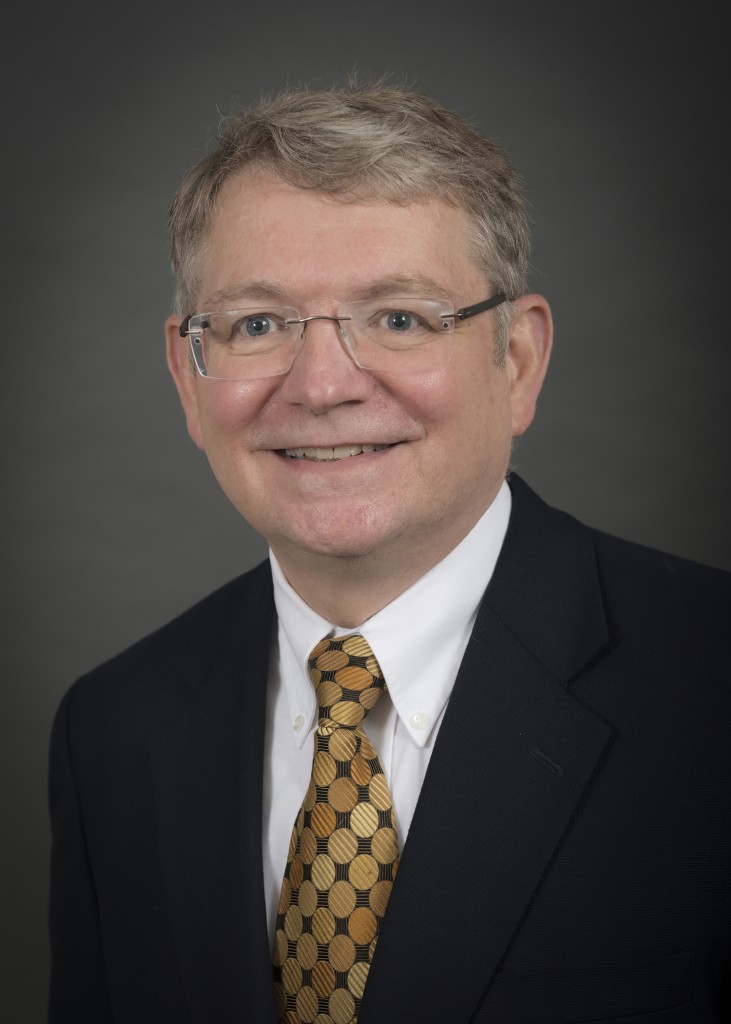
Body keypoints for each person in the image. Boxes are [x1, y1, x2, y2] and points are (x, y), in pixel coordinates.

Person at [48, 82, 730, 1024]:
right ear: (187, 374)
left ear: (518, 360)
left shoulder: (711, 683)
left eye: (400, 317)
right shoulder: (112, 731)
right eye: (257, 324)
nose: (322, 385)